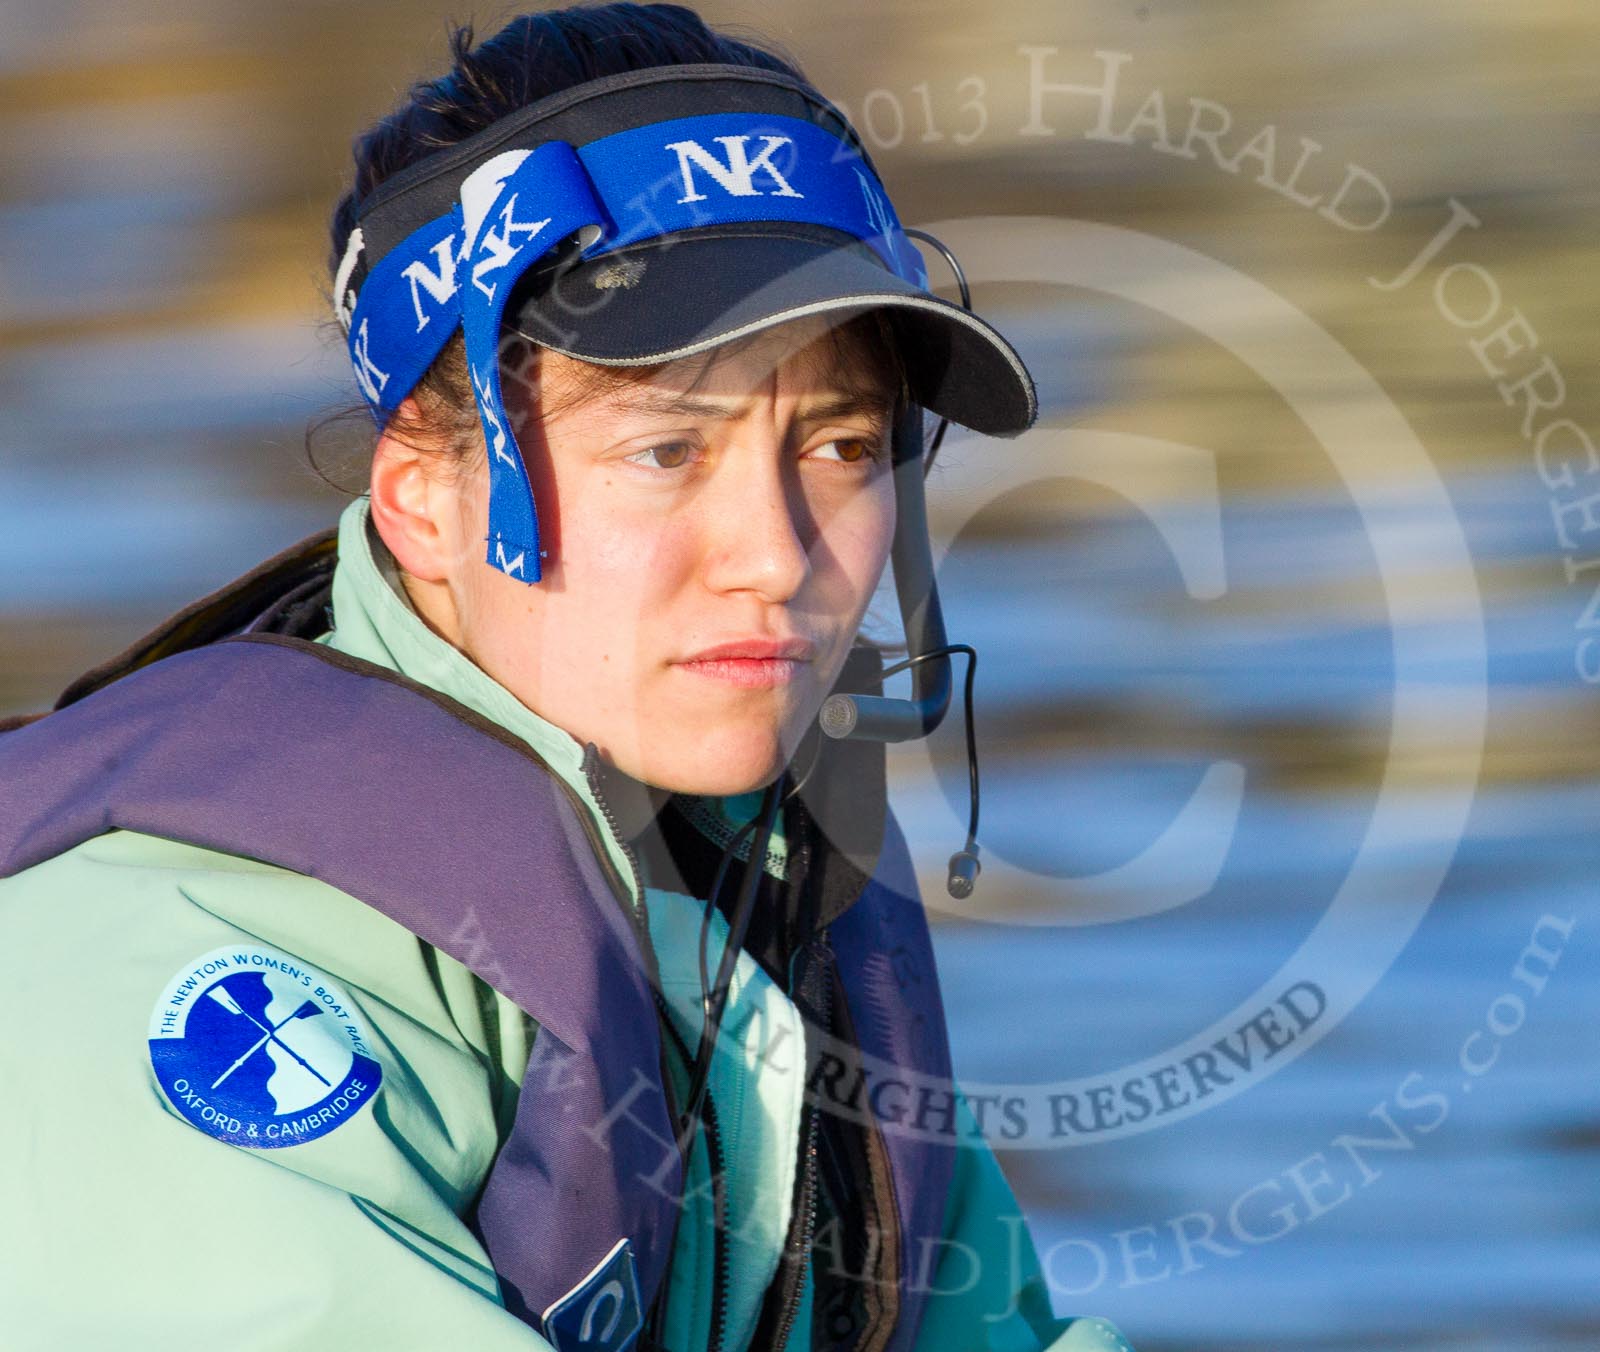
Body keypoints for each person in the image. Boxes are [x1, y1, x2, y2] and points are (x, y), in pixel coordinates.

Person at [0, 7, 1134, 1350]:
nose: (775, 557)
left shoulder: (768, 910)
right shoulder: (180, 978)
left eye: (837, 444)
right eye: (666, 451)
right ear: (423, 502)